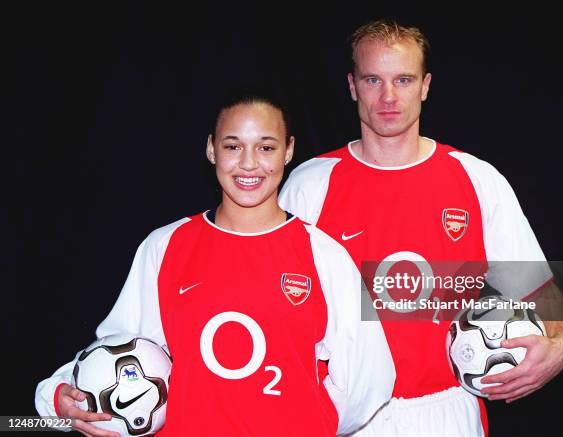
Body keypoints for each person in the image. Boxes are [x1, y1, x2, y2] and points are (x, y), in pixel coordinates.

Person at [35, 92, 395, 436]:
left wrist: (306, 422)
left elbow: (371, 375)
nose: (249, 163)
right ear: (211, 149)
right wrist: (57, 394)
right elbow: (118, 350)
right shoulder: (165, 246)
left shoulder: (326, 255)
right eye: (233, 146)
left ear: (289, 151)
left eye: (266, 147)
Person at [279, 19, 563, 436]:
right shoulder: (309, 186)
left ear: (425, 85)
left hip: (449, 410)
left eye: (403, 79)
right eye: (371, 80)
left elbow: (537, 288)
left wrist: (561, 342)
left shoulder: (475, 178)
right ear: (351, 86)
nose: (387, 97)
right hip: (345, 415)